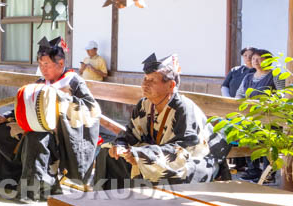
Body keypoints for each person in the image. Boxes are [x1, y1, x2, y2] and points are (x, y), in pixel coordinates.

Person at [0, 36, 101, 201]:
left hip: (61, 135)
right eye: (40, 64)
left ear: (60, 64)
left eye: (46, 64)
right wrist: (7, 117)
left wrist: (61, 98)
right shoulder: (41, 82)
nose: (43, 69)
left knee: (36, 137)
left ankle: (34, 190)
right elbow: (28, 106)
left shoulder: (74, 82)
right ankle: (5, 179)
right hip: (35, 126)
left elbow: (92, 110)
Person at [93, 53, 230, 188]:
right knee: (109, 155)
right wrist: (121, 146)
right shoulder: (143, 104)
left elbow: (182, 150)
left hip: (193, 163)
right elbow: (131, 134)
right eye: (145, 79)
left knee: (160, 170)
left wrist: (141, 154)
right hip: (157, 155)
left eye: (152, 80)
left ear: (171, 85)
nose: (145, 84)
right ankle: (110, 203)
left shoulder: (184, 108)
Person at [234, 49, 278, 182]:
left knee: (267, 145)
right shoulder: (248, 77)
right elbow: (239, 94)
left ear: (269, 60)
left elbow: (283, 94)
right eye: (254, 59)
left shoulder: (275, 76)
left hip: (269, 117)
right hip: (250, 116)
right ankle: (253, 171)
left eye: (260, 59)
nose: (256, 61)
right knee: (249, 142)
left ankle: (268, 174)